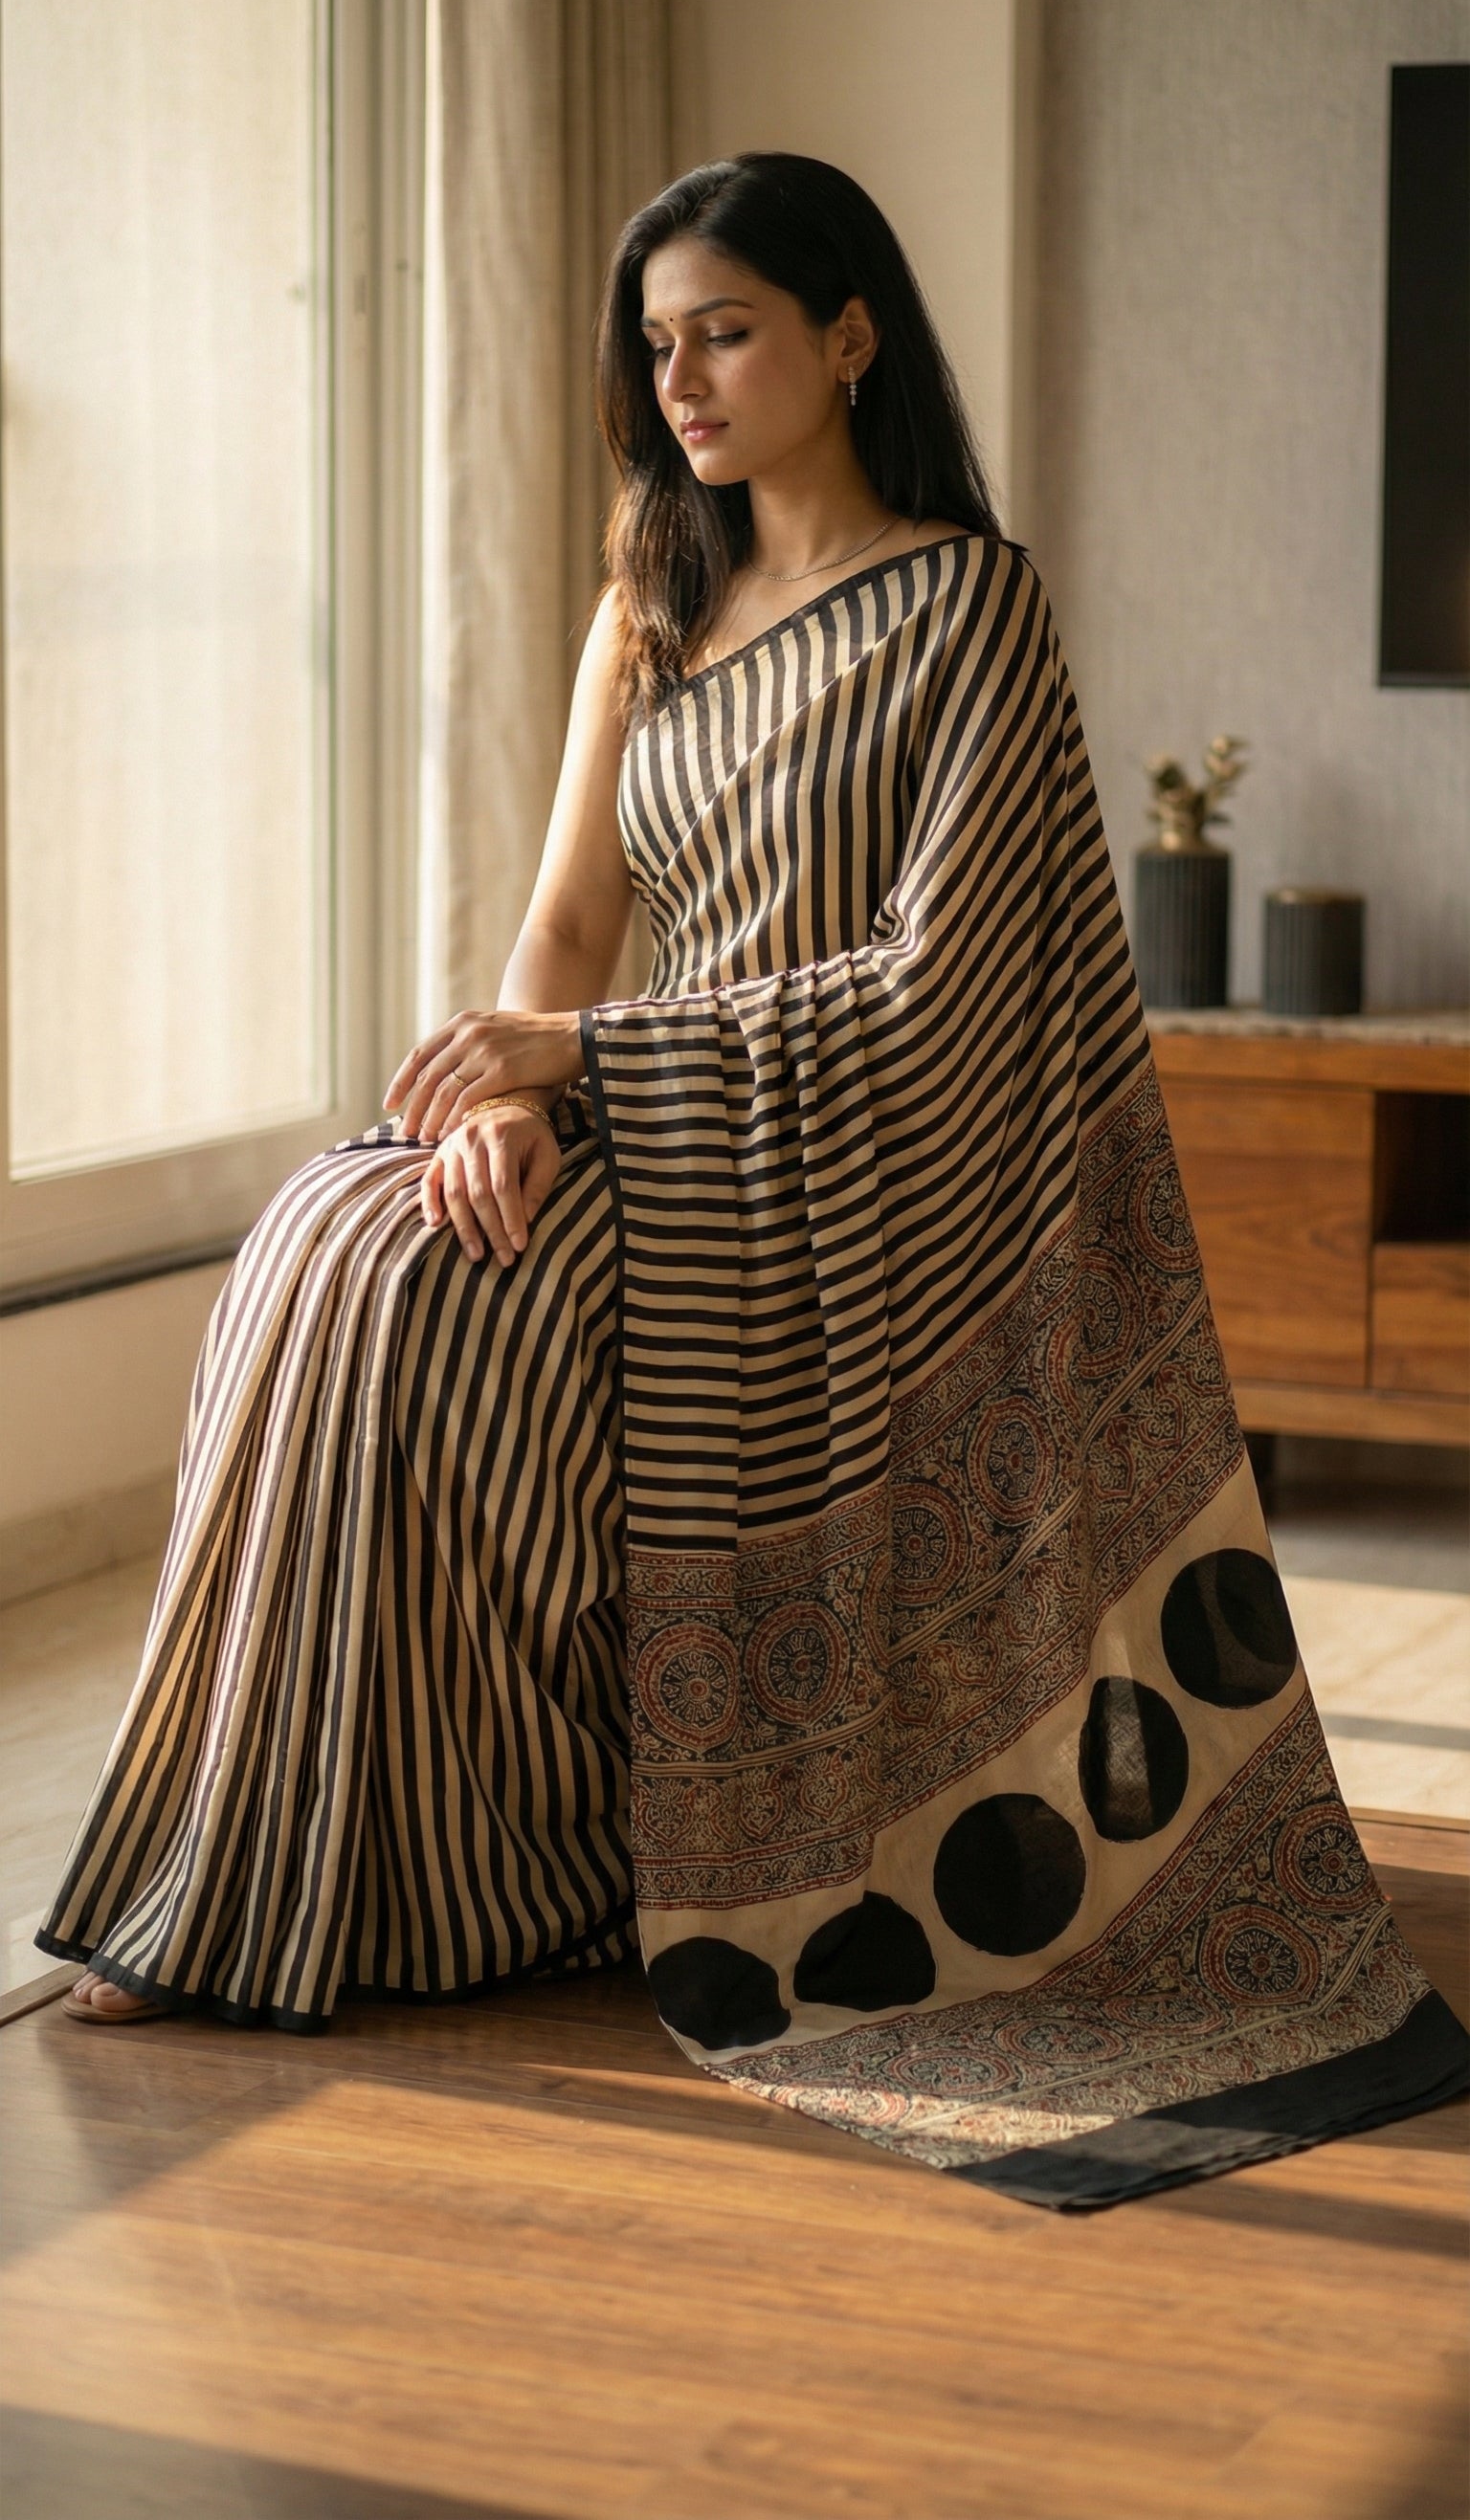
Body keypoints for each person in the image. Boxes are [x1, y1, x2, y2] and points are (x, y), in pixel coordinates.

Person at [41, 154, 1465, 2208]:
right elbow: (560, 932)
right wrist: (510, 1100)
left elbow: (936, 983)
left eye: (724, 331)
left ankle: (430, 1876)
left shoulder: (968, 602)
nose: (681, 381)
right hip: (637, 1110)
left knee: (420, 1317)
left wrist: (583, 1062)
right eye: (656, 342)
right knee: (328, 1245)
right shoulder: (651, 602)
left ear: (847, 335)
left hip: (834, 1193)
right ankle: (294, 1882)